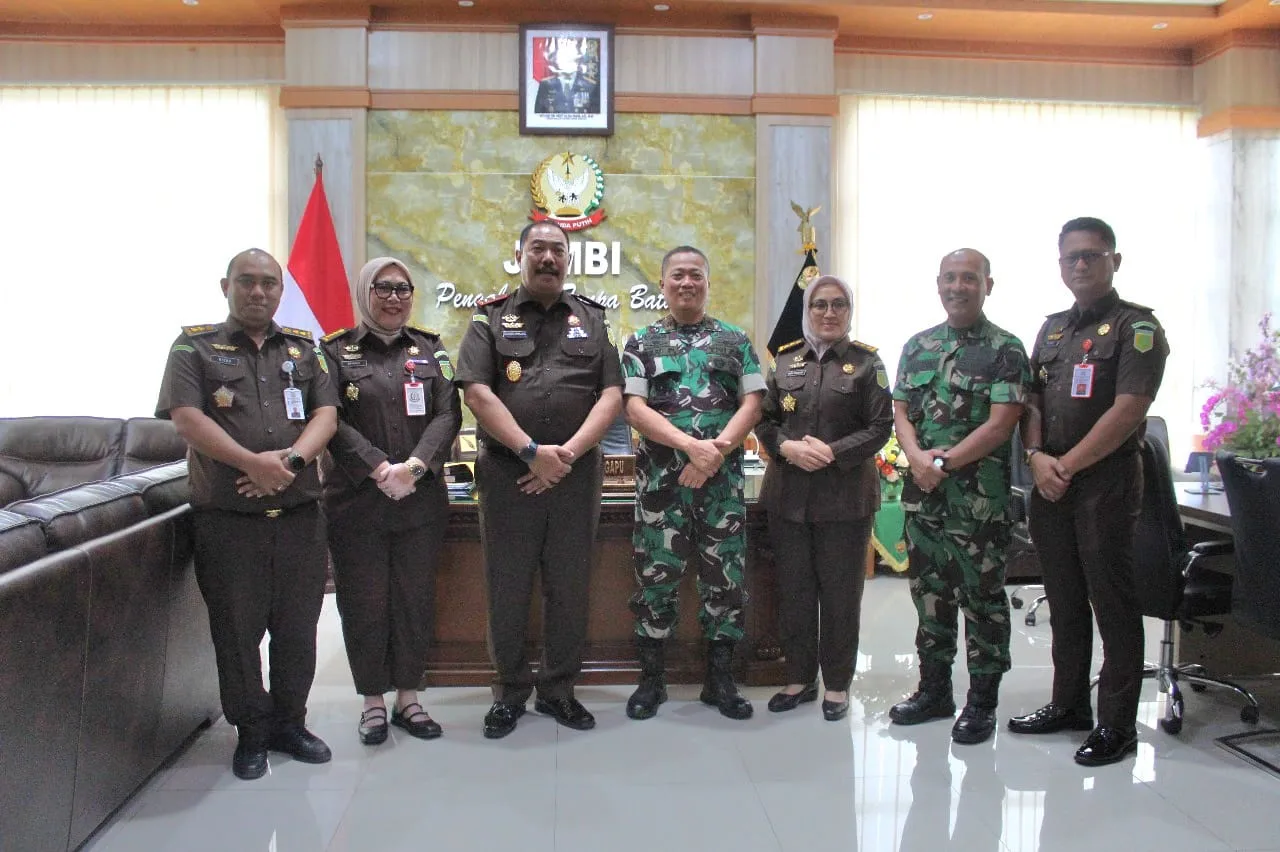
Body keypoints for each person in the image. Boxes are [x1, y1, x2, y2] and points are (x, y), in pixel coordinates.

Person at [155, 248, 338, 780]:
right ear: (226, 286)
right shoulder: (192, 347)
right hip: (228, 521)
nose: (258, 292)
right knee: (237, 634)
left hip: (300, 516)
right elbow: (187, 419)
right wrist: (251, 464)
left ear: (281, 290)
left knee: (298, 630)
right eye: (246, 281)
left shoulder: (305, 350)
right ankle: (251, 732)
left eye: (268, 283)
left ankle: (290, 724)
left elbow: (327, 414)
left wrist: (291, 462)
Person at [1007, 217, 1169, 766]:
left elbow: (1129, 410)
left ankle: (1117, 724)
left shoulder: (1136, 328)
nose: (1080, 264)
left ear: (1114, 261)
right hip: (1050, 483)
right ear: (1060, 265)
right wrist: (1035, 457)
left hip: (1105, 484)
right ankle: (1068, 704)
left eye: (1092, 255)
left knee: (1113, 603)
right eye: (1071, 257)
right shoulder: (1052, 330)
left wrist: (1065, 466)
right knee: (1065, 599)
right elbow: (1030, 402)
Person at [454, 220, 623, 739]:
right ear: (520, 254)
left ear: (567, 258)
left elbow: (611, 394)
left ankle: (558, 690)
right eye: (538, 248)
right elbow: (477, 393)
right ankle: (509, 692)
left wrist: (565, 455)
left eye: (557, 250)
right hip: (508, 476)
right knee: (507, 586)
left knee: (569, 586)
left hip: (575, 475)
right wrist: (530, 453)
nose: (548, 258)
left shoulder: (592, 319)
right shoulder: (488, 319)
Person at [888, 248, 1030, 745]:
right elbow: (901, 412)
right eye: (950, 278)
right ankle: (933, 692)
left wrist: (942, 465)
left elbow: (1001, 424)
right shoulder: (918, 346)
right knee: (929, 595)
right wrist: (916, 458)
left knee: (982, 601)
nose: (958, 287)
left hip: (977, 504)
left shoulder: (1006, 349)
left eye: (969, 278)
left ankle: (982, 703)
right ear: (938, 284)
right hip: (923, 498)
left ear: (988, 285)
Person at [319, 257, 462, 746]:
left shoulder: (431, 349)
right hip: (357, 502)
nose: (394, 297)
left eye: (403, 288)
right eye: (383, 287)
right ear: (365, 292)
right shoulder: (333, 352)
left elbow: (448, 414)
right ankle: (372, 701)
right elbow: (329, 419)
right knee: (364, 602)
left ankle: (409, 697)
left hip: (419, 501)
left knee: (413, 599)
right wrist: (381, 468)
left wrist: (414, 468)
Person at [621, 245, 765, 721]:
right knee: (655, 579)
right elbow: (634, 409)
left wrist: (714, 452)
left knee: (725, 580)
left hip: (721, 487)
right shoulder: (641, 342)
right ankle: (652, 681)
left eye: (696, 275)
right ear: (663, 283)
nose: (687, 282)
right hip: (661, 488)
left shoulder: (735, 340)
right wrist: (690, 446)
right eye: (678, 275)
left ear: (707, 282)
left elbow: (752, 404)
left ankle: (719, 681)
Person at [755, 274, 893, 722]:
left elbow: (880, 427)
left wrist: (832, 452)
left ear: (849, 311)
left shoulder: (868, 364)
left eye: (838, 305)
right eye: (820, 305)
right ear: (808, 310)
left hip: (845, 499)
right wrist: (787, 448)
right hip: (789, 498)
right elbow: (764, 421)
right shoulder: (784, 361)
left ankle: (836, 684)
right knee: (794, 592)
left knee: (840, 596)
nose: (829, 313)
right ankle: (799, 678)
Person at [533, 37, 600, 115]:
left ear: (578, 58)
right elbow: (538, 115)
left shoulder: (590, 85)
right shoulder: (545, 84)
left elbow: (596, 117)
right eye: (563, 56)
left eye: (570, 57)